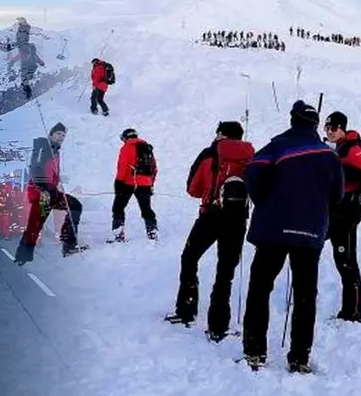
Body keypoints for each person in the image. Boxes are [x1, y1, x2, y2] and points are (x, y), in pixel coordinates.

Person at [240, 100, 344, 373]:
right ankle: (299, 357)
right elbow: (337, 196)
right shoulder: (330, 156)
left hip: (272, 229)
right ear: (314, 124)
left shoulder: (277, 146)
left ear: (292, 120)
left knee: (260, 288)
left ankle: (254, 351)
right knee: (305, 294)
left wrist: (263, 200)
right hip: (310, 233)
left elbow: (252, 171)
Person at [165, 121, 254, 342]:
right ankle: (218, 325)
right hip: (237, 221)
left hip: (210, 216)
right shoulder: (250, 156)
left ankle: (186, 309)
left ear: (220, 134)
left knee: (189, 257)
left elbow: (193, 189)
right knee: (225, 272)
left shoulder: (209, 153)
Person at [323, 111, 361, 323]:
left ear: (342, 128)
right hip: (334, 211)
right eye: (326, 127)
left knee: (346, 261)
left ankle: (353, 312)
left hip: (347, 213)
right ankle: (349, 310)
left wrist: (339, 167)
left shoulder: (352, 148)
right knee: (336, 257)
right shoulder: (339, 148)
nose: (329, 131)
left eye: (333, 127)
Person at [15, 122, 84, 264]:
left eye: (63, 135)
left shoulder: (55, 150)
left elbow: (51, 172)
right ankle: (23, 255)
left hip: (51, 191)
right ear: (51, 134)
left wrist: (56, 184)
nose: (61, 137)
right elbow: (35, 168)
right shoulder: (43, 147)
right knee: (36, 223)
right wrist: (43, 188)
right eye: (58, 134)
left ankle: (68, 245)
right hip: (41, 192)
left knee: (74, 206)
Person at [110, 128, 158, 242]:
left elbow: (123, 167)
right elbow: (154, 168)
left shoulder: (126, 147)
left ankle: (118, 235)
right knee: (146, 208)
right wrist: (151, 183)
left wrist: (118, 182)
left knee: (118, 208)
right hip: (145, 183)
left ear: (125, 137)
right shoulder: (147, 148)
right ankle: (152, 232)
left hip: (128, 182)